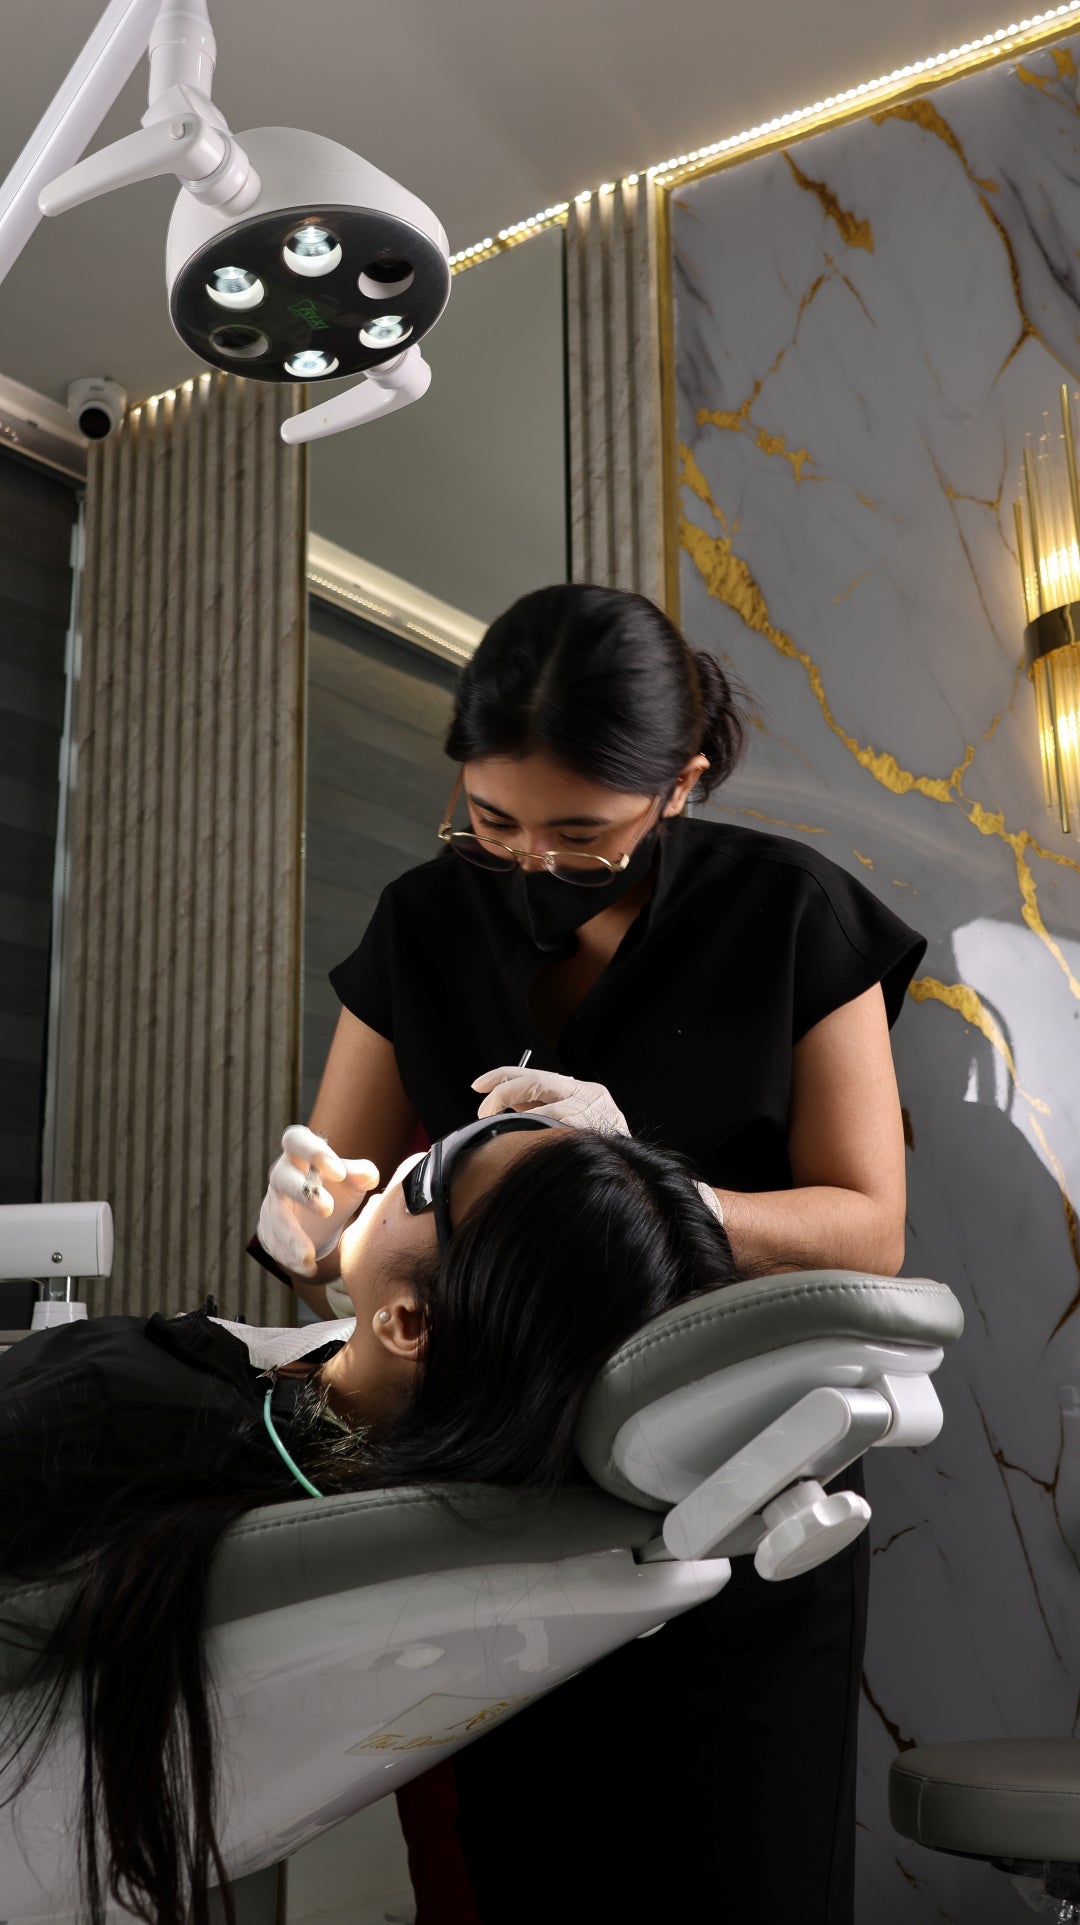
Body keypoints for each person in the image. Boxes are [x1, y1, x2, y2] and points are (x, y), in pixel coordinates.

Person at [255, 583, 926, 1924]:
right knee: (508, 1877)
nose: (528, 866)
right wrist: (305, 1227)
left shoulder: (790, 916)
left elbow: (868, 1225)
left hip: (735, 1505)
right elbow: (344, 1219)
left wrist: (650, 1184)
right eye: (492, 821)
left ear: (677, 787)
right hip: (489, 1507)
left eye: (583, 834)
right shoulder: (424, 923)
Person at [0, 1118, 734, 1925]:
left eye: (434, 1176)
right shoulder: (392, 1458)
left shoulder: (117, 1405)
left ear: (409, 1324)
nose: (415, 1155)